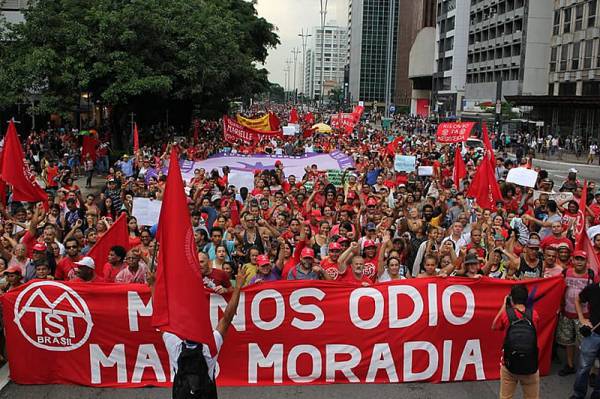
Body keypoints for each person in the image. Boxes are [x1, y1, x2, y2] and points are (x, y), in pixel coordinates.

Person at [159, 267, 246, 399]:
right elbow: (227, 317)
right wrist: (238, 287)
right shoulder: (209, 347)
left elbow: (161, 319)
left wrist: (154, 286)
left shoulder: (175, 347)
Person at [492, 284, 540, 399]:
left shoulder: (506, 315)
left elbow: (494, 326)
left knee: (506, 396)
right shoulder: (534, 315)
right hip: (530, 363)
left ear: (511, 299)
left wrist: (504, 305)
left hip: (509, 363)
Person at [570, 268, 600, 398]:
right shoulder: (592, 289)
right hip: (593, 335)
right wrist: (582, 318)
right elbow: (578, 299)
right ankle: (578, 394)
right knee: (583, 367)